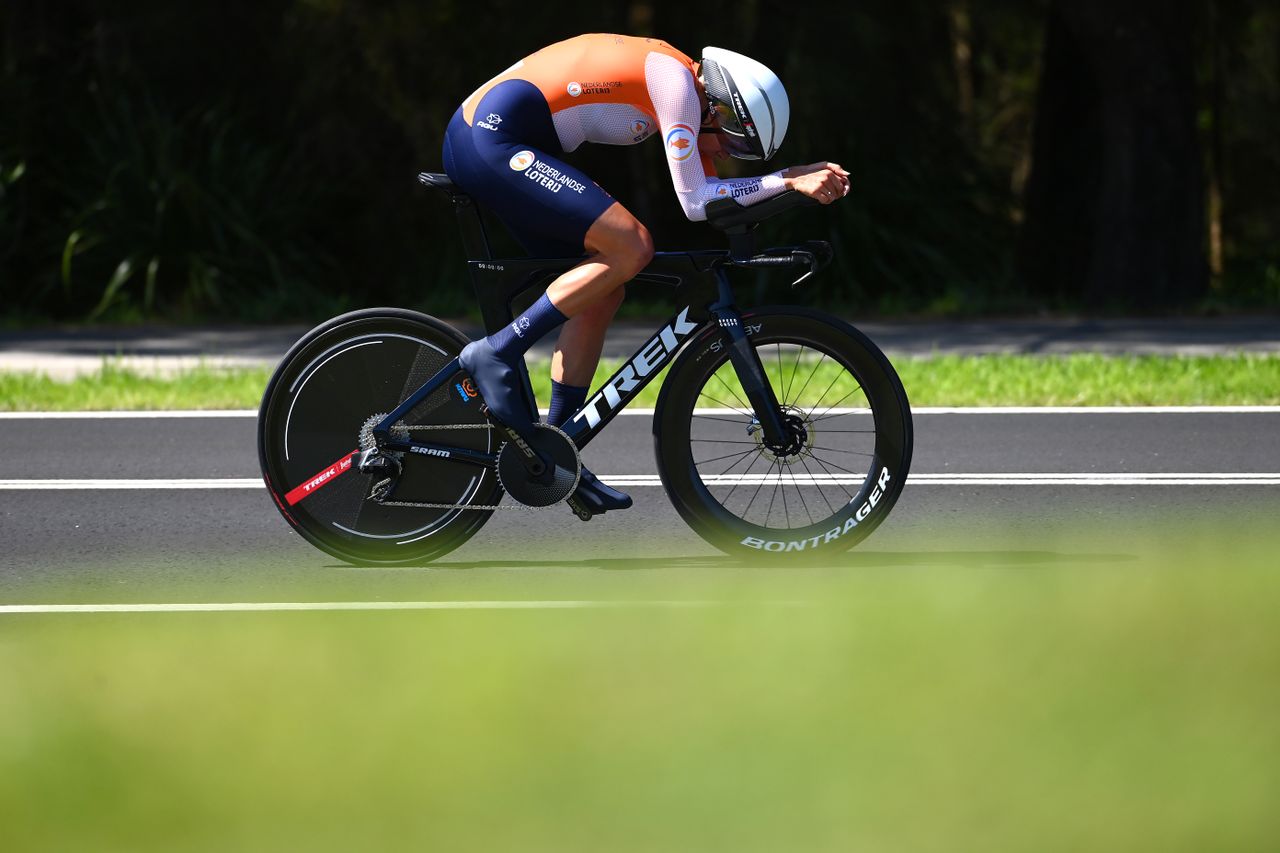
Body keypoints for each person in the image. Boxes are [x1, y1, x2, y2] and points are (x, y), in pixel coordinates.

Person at [442, 34, 850, 514]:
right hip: (487, 137)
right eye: (735, 141)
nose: (725, 152)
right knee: (631, 245)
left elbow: (715, 192)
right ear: (718, 107)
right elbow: (697, 201)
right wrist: (787, 180)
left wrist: (791, 176)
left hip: (505, 140)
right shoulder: (676, 83)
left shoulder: (687, 93)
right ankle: (496, 352)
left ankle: (557, 454)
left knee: (603, 288)